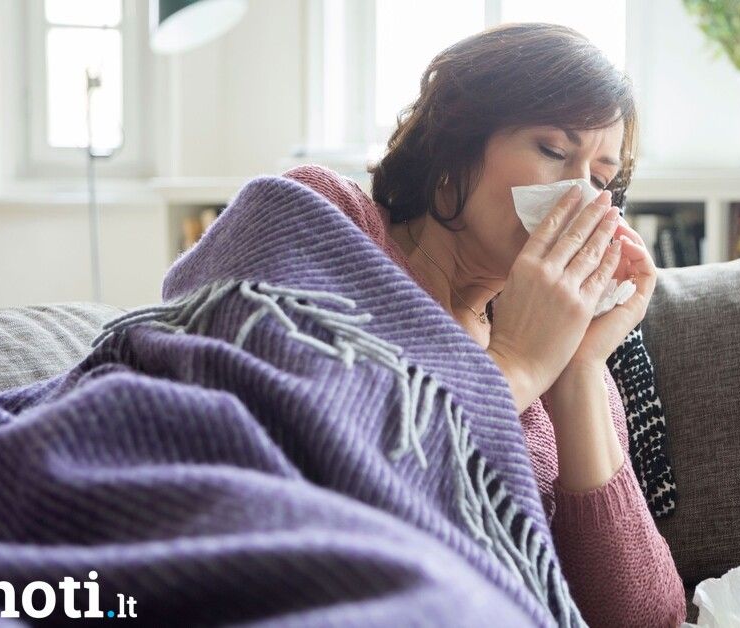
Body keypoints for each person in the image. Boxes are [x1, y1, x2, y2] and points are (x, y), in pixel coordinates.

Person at [284, 22, 687, 628]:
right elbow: (315, 468)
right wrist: (517, 363)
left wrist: (574, 372)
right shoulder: (331, 218)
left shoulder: (563, 352)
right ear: (454, 150)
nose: (579, 194)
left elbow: (645, 617)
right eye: (554, 150)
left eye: (601, 180)